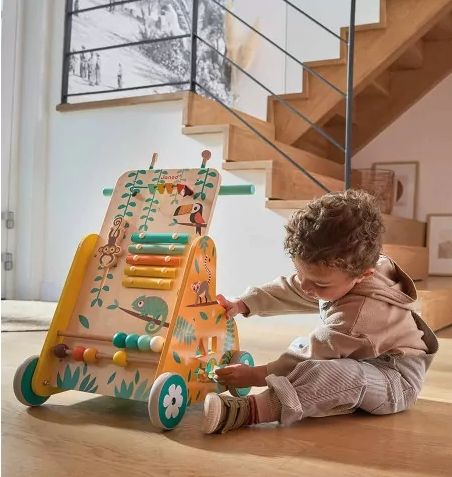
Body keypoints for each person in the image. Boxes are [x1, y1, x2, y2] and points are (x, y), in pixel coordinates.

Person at [203, 189, 438, 434]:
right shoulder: (346, 270)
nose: (305, 286)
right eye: (300, 273)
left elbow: (312, 356)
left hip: (394, 380)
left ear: (363, 275)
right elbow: (293, 289)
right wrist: (243, 302)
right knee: (301, 348)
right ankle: (329, 398)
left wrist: (255, 375)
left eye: (319, 284)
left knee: (324, 372)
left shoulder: (358, 316)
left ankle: (251, 410)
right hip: (364, 356)